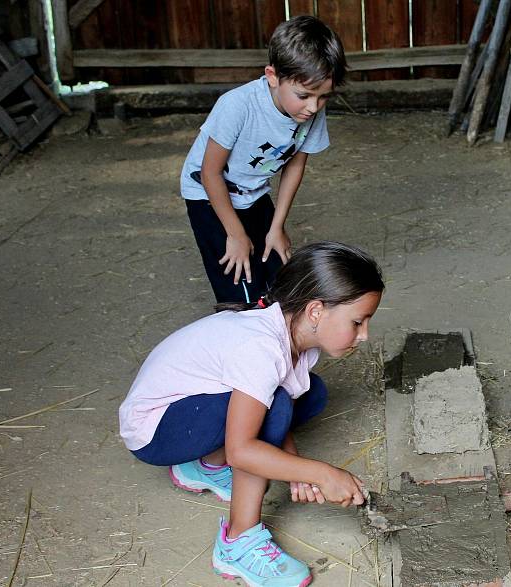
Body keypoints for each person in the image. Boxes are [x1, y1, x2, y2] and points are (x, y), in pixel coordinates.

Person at [119, 241, 384, 587]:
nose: (364, 335)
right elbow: (243, 448)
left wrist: (295, 472)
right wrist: (321, 474)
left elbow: (278, 409)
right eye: (358, 322)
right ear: (316, 311)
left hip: (189, 414)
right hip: (155, 430)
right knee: (271, 412)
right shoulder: (260, 348)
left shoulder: (294, 338)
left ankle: (205, 466)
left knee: (311, 394)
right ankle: (237, 544)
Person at [180, 16, 346, 303]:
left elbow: (295, 164)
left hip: (254, 192)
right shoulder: (237, 106)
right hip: (208, 194)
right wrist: (236, 234)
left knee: (282, 279)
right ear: (272, 76)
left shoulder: (310, 111)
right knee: (243, 285)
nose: (313, 107)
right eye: (304, 95)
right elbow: (210, 173)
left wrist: (277, 227)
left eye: (323, 97)